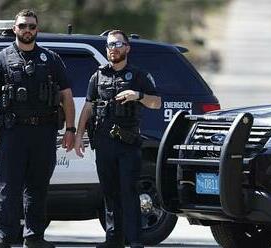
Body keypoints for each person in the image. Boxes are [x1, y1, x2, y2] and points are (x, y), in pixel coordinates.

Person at [0, 9, 76, 248]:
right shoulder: (1, 58)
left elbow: (66, 96)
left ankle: (34, 237)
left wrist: (71, 130)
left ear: (37, 30)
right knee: (9, 185)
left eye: (32, 26)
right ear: (15, 29)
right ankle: (3, 236)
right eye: (23, 26)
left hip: (44, 132)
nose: (27, 30)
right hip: (13, 132)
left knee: (38, 186)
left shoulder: (51, 58)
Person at [74, 30, 161, 248]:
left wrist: (137, 95)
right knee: (110, 192)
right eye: (110, 45)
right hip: (103, 142)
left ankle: (135, 240)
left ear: (127, 48)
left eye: (118, 44)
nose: (113, 48)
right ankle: (113, 240)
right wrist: (78, 136)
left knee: (128, 191)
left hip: (128, 143)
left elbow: (156, 103)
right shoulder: (98, 76)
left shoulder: (138, 76)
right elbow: (88, 106)